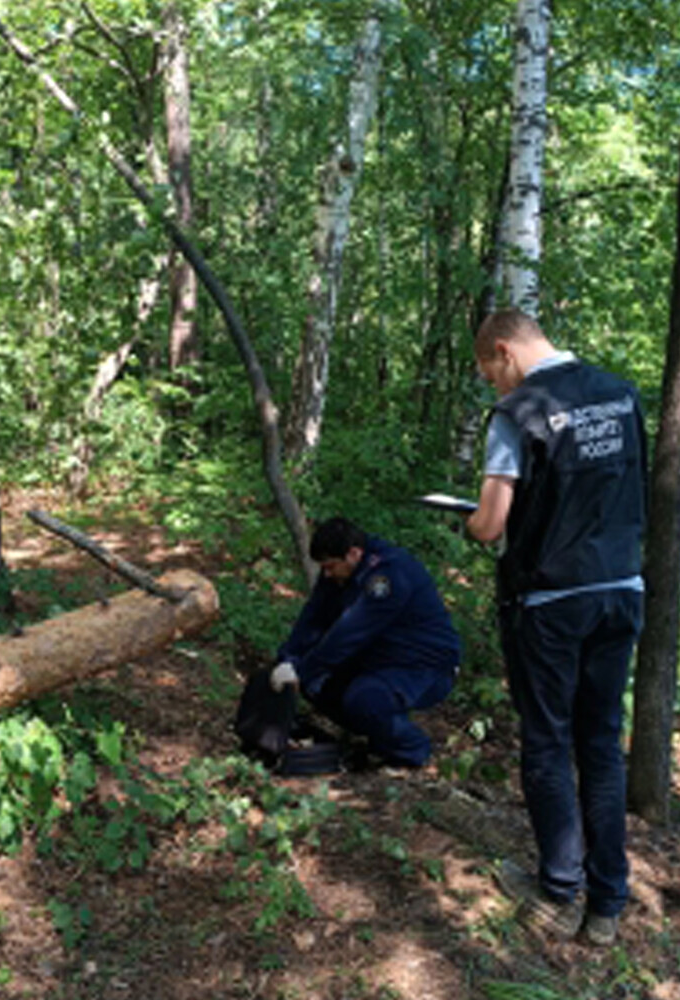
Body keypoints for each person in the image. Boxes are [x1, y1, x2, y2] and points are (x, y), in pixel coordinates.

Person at [463, 308, 647, 947]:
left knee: (546, 741)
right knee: (600, 743)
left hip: (551, 601)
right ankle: (607, 905)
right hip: (621, 590)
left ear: (505, 352)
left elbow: (490, 526)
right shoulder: (621, 394)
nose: (495, 387)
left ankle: (559, 892)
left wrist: (471, 520)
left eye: (492, 374)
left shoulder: (519, 412)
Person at [270, 517, 460, 769]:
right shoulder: (340, 572)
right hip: (380, 659)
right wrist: (288, 659)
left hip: (423, 666)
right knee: (316, 684)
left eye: (330, 567)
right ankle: (376, 737)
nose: (326, 574)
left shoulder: (390, 575)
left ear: (353, 554)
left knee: (365, 700)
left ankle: (411, 750)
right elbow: (314, 615)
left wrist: (302, 669)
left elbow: (351, 632)